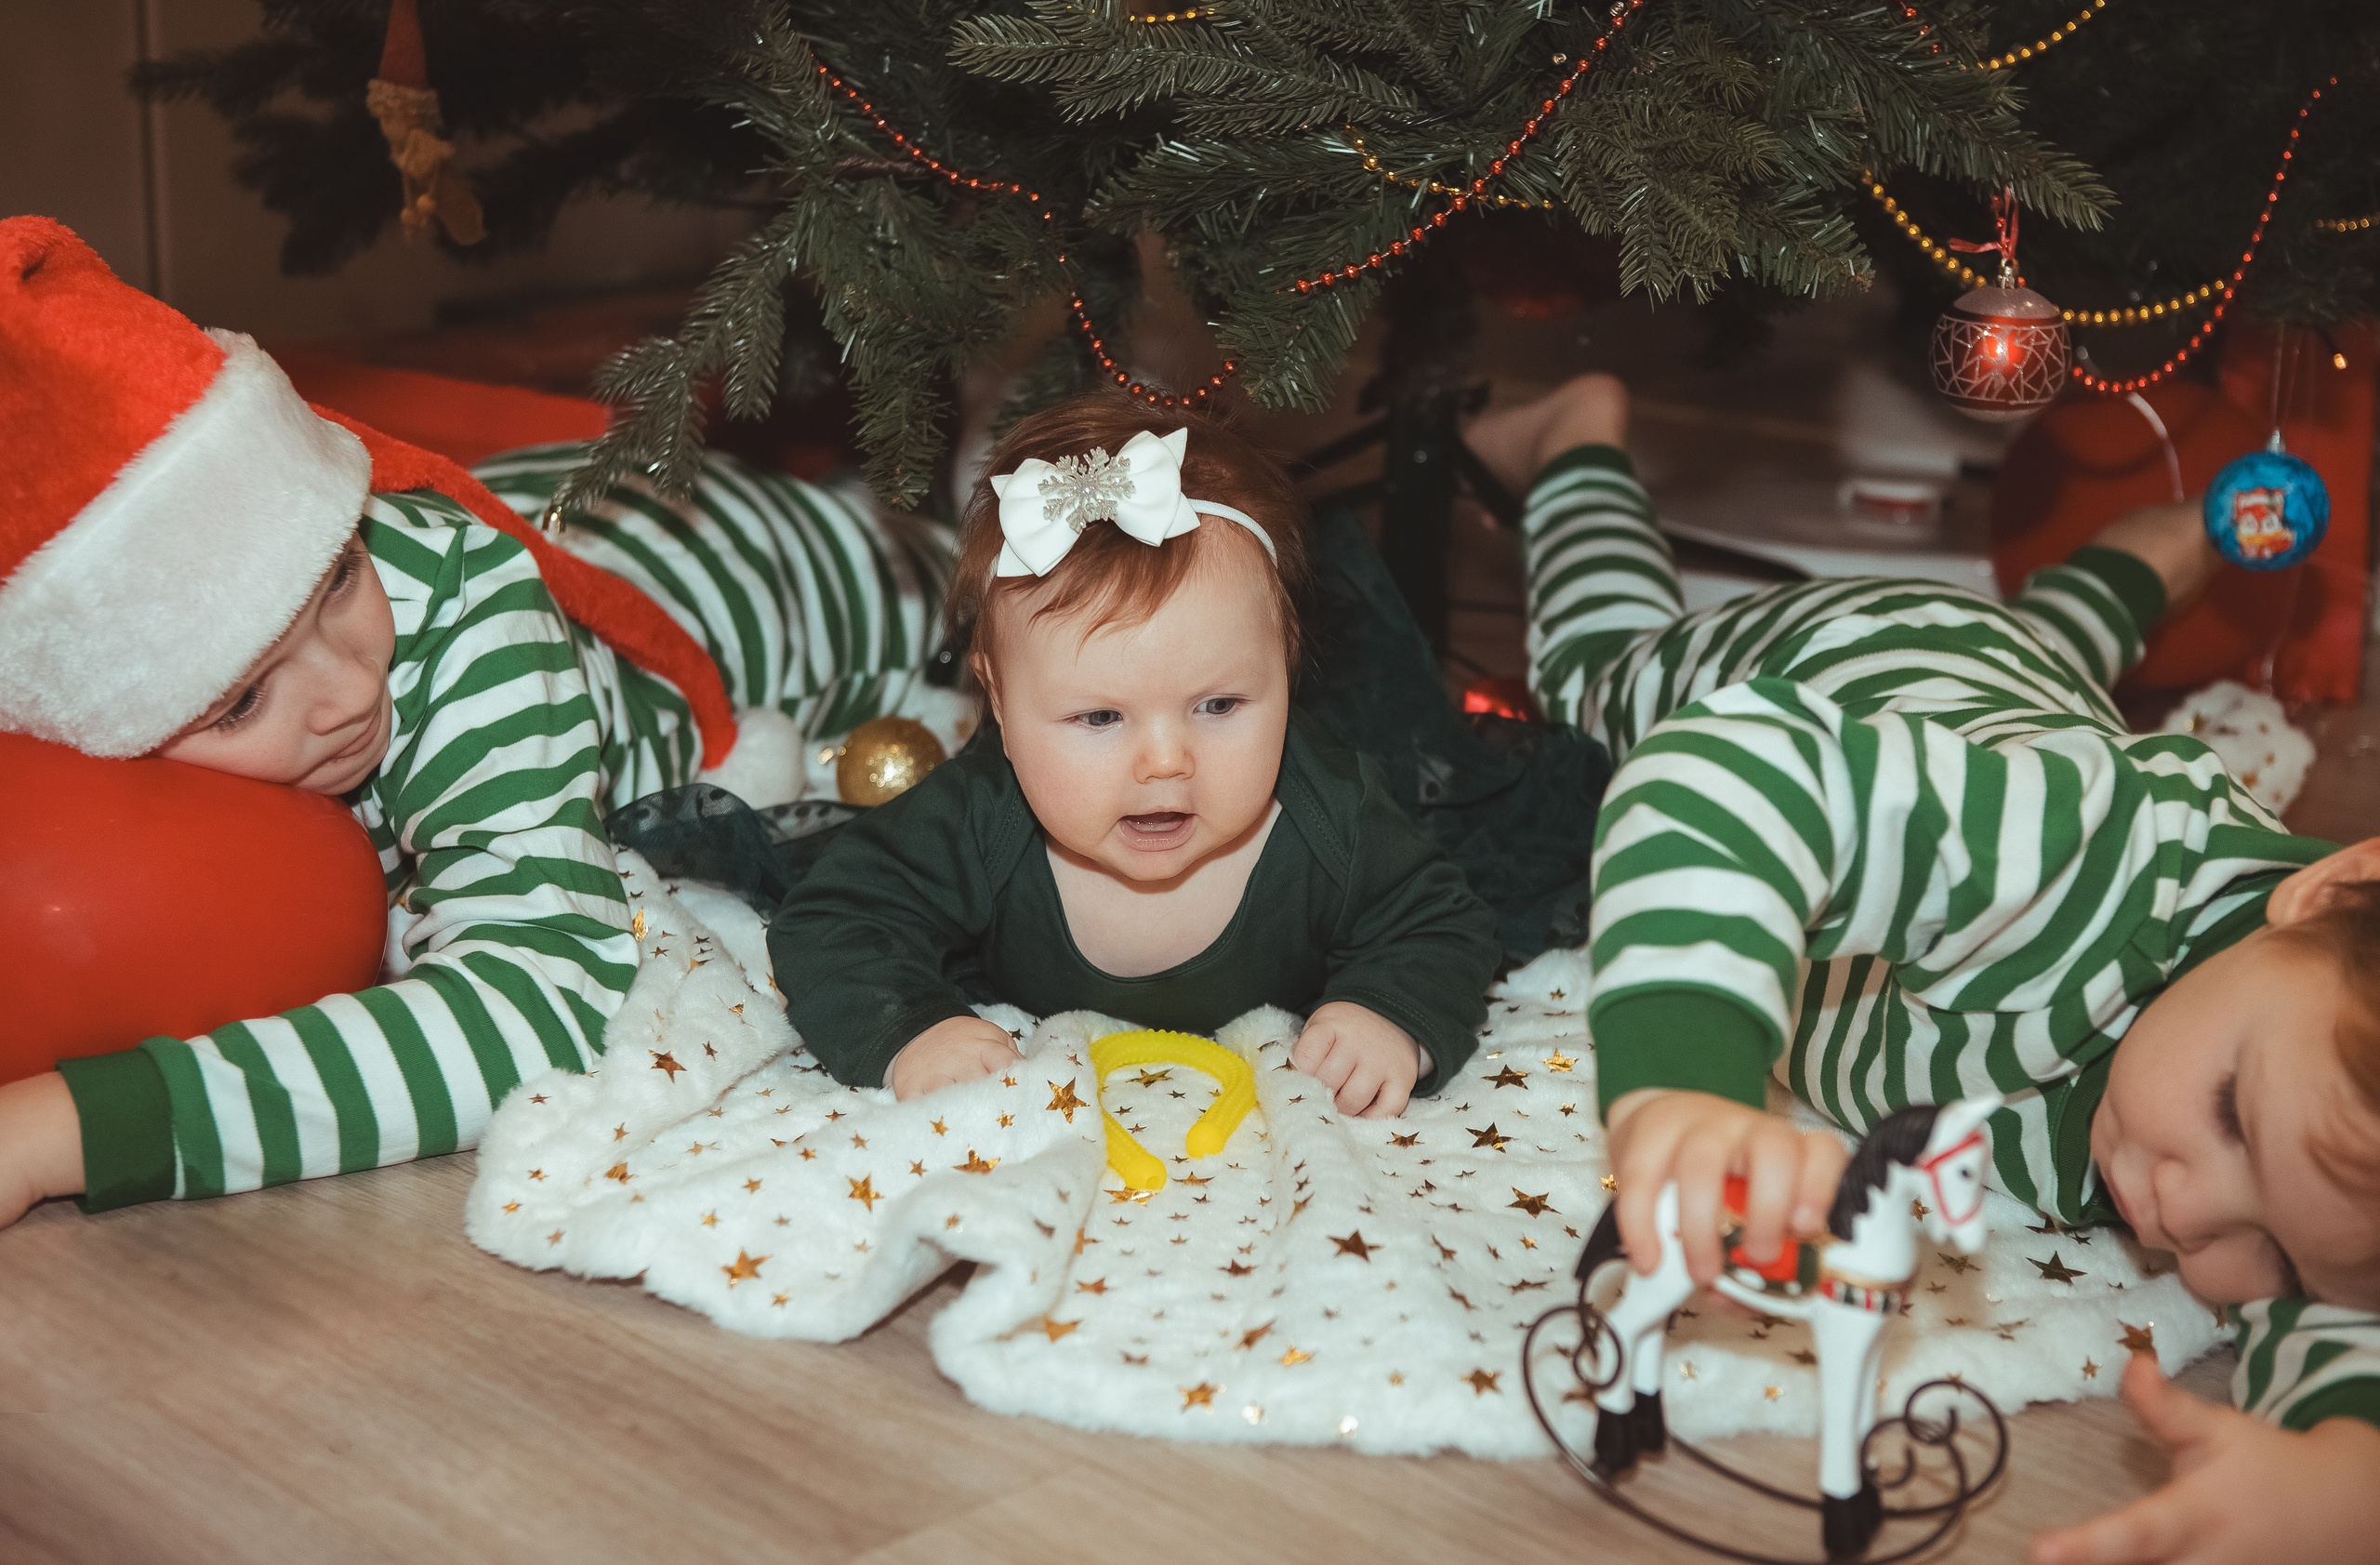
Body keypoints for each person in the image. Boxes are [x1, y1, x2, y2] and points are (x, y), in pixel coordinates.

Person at [1466, 371, 2380, 1565]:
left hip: (2018, 690)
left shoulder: (2329, 1138)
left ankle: (2149, 555)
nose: (2186, 1213)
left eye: (2276, 1257)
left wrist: (2344, 1481)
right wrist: (1682, 1082)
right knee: (1591, 681)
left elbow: (2350, 1326)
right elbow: (1727, 778)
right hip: (1829, 661)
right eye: (2228, 1119)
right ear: (2318, 893)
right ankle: (1576, 436)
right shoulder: (2085, 862)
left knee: (2052, 653)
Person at [0, 217, 951, 1226]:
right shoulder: (69, 693)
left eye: (338, 577)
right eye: (242, 698)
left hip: (804, 574)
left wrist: (69, 1132)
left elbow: (541, 1004)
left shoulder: (459, 619)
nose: (351, 689)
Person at [770, 397, 1504, 1116]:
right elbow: (834, 918)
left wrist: (1390, 1013)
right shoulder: (981, 812)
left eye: (1218, 705)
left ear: (1285, 670)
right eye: (1099, 716)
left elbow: (1441, 923)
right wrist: (915, 1030)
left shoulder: (1329, 811)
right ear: (997, 701)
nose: (1165, 761)